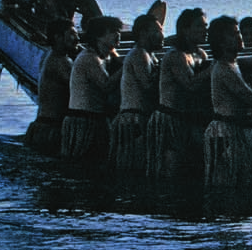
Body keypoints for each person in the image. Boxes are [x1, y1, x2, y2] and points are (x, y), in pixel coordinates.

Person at [204, 15, 252, 190]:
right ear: (221, 42)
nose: (239, 37)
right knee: (225, 183)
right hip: (224, 130)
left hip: (232, 129)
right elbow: (249, 98)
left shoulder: (232, 64)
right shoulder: (224, 68)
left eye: (238, 33)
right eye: (233, 34)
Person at [147, 7, 211, 179]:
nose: (205, 30)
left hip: (187, 118)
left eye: (206, 26)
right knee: (170, 167)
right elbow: (190, 84)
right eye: (199, 26)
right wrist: (217, 65)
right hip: (169, 119)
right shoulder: (176, 56)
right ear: (185, 30)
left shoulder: (200, 54)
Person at [61, 14, 123, 162]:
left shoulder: (104, 55)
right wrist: (126, 67)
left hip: (95, 118)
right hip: (83, 120)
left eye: (118, 31)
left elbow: (114, 59)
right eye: (112, 31)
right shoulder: (89, 58)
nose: (118, 34)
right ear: (98, 37)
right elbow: (106, 85)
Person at [109, 10, 164, 174]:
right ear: (143, 33)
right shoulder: (140, 54)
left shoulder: (148, 55)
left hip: (138, 118)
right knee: (133, 168)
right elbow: (148, 86)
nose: (161, 35)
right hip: (133, 119)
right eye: (157, 31)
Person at [25, 18, 79, 156]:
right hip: (52, 128)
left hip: (42, 125)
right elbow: (81, 88)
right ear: (58, 37)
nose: (77, 38)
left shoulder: (49, 55)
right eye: (72, 34)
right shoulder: (60, 62)